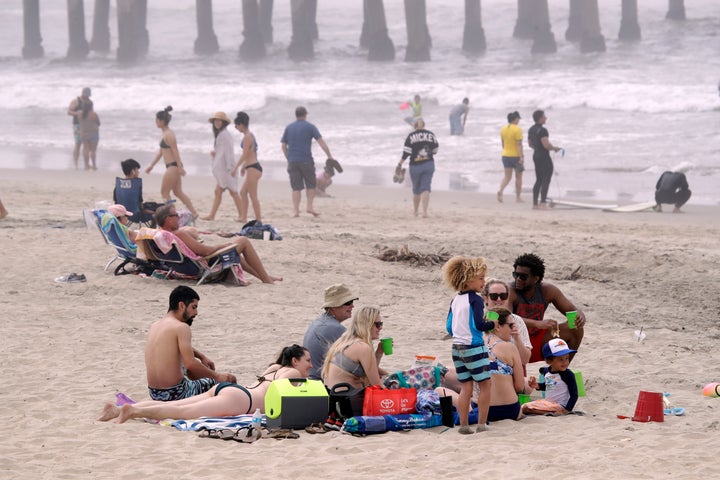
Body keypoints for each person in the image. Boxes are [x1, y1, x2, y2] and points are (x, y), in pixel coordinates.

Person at [99, 344, 312, 423]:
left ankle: (117, 410)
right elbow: (282, 394)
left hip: (234, 392)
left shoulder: (274, 368)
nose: (310, 366)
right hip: (240, 400)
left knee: (177, 406)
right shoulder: (293, 373)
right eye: (308, 361)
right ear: (295, 360)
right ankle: (132, 412)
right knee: (182, 413)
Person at [143, 286, 237, 401]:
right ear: (182, 305)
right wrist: (218, 377)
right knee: (227, 382)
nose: (196, 313)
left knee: (190, 370)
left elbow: (175, 346)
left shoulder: (155, 325)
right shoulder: (182, 327)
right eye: (194, 307)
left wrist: (201, 356)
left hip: (155, 394)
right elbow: (190, 364)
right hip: (177, 393)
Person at [155, 204, 281, 284]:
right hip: (206, 263)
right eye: (176, 215)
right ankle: (266, 279)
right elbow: (205, 251)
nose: (179, 217)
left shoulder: (162, 235)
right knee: (243, 241)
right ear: (168, 219)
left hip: (184, 266)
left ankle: (263, 275)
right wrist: (223, 246)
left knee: (234, 250)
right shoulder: (178, 234)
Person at [442, 255, 496, 434]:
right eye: (480, 278)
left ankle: (464, 425)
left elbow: (449, 327)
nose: (484, 282)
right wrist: (492, 324)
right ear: (468, 279)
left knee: (466, 386)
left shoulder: (455, 300)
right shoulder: (476, 300)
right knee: (485, 384)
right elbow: (479, 325)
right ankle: (481, 423)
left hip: (457, 349)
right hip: (474, 347)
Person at [508, 253, 586, 364]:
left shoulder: (547, 290)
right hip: (516, 341)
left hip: (538, 340)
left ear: (536, 279)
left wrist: (580, 316)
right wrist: (537, 323)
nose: (518, 279)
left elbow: (572, 310)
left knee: (575, 328)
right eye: (516, 275)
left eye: (523, 276)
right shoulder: (510, 291)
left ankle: (560, 371)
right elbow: (507, 317)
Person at [280, 106, 335, 218]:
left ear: (296, 115)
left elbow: (283, 146)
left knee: (296, 187)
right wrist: (329, 156)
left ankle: (296, 211)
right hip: (306, 161)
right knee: (311, 185)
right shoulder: (310, 127)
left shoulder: (289, 127)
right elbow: (321, 142)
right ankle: (309, 207)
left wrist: (288, 158)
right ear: (305, 115)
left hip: (293, 161)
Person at [145, 106, 199, 218]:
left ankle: (172, 214)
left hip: (173, 167)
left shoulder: (169, 134)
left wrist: (180, 167)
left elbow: (175, 150)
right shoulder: (164, 134)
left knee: (164, 193)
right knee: (178, 192)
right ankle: (193, 212)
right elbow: (161, 152)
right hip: (171, 167)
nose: (155, 122)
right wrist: (152, 166)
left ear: (161, 121)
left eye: (156, 120)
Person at [321, 306, 388, 389]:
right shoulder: (362, 347)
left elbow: (371, 373)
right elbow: (376, 385)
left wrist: (378, 353)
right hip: (346, 398)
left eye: (381, 324)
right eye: (378, 324)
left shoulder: (345, 341)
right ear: (367, 325)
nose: (381, 328)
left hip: (333, 395)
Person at [303, 284, 358, 380]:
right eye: (348, 303)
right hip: (323, 384)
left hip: (312, 379)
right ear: (333, 307)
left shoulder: (319, 322)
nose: (352, 306)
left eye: (352, 302)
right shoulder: (334, 328)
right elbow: (361, 363)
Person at [201, 112, 243, 221]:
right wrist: (215, 153)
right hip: (223, 169)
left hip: (227, 169)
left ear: (223, 122)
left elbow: (229, 152)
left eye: (219, 120)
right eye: (215, 121)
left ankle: (242, 216)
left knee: (233, 192)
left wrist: (231, 168)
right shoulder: (221, 134)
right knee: (218, 191)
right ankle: (212, 215)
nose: (217, 122)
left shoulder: (225, 135)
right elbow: (222, 151)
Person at [481, 279, 532, 366]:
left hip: (512, 368)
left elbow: (525, 360)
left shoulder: (516, 320)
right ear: (486, 298)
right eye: (494, 296)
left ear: (508, 298)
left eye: (503, 296)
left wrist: (517, 338)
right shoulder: (478, 319)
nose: (499, 299)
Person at [522, 338, 578, 416]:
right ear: (549, 361)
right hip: (548, 403)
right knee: (523, 407)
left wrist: (567, 410)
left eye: (567, 358)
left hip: (560, 406)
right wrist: (537, 385)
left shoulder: (568, 374)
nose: (565, 362)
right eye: (561, 359)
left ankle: (554, 413)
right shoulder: (547, 372)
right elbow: (549, 386)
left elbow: (574, 395)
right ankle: (549, 412)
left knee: (526, 409)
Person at [397, 118, 439, 218]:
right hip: (428, 164)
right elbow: (435, 150)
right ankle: (424, 212)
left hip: (415, 166)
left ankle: (415, 212)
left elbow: (406, 153)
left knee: (416, 189)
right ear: (424, 125)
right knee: (426, 188)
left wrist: (399, 164)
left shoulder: (411, 136)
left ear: (414, 126)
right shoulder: (431, 135)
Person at [232, 111, 263, 223]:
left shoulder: (247, 137)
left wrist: (236, 167)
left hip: (253, 168)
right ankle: (243, 217)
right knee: (243, 192)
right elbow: (252, 152)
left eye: (236, 125)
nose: (236, 128)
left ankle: (259, 220)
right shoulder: (251, 135)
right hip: (252, 166)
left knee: (253, 195)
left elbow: (245, 154)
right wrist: (244, 166)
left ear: (241, 124)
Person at [528, 109, 562, 209]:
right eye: (544, 116)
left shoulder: (531, 129)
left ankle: (535, 204)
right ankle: (543, 203)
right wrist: (554, 148)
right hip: (544, 156)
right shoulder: (543, 130)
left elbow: (530, 144)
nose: (546, 118)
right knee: (546, 178)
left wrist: (538, 149)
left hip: (536, 155)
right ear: (540, 118)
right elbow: (546, 145)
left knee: (538, 179)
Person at [113, 158, 161, 225]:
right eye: (137, 169)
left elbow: (116, 202)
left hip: (122, 214)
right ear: (133, 171)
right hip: (137, 215)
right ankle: (153, 230)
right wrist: (154, 213)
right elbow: (140, 207)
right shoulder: (135, 185)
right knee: (162, 208)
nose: (138, 172)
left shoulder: (119, 185)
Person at [497, 111, 524, 203]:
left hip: (505, 155)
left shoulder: (503, 129)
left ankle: (500, 190)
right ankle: (518, 197)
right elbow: (519, 144)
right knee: (518, 177)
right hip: (515, 156)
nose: (519, 120)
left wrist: (506, 151)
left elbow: (503, 144)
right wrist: (521, 157)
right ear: (515, 119)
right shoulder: (517, 129)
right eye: (518, 119)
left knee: (507, 177)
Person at [67, 87, 91, 169]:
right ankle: (75, 164)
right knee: (78, 144)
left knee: (86, 145)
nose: (87, 97)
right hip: (77, 125)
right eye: (86, 95)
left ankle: (86, 165)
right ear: (83, 93)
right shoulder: (76, 101)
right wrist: (76, 113)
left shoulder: (90, 102)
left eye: (88, 95)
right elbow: (69, 112)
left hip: (87, 125)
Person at [75, 99, 100, 170]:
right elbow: (98, 123)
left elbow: (80, 122)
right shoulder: (94, 114)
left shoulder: (79, 114)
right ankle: (94, 165)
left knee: (85, 149)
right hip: (93, 133)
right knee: (93, 150)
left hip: (83, 133)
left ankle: (86, 166)